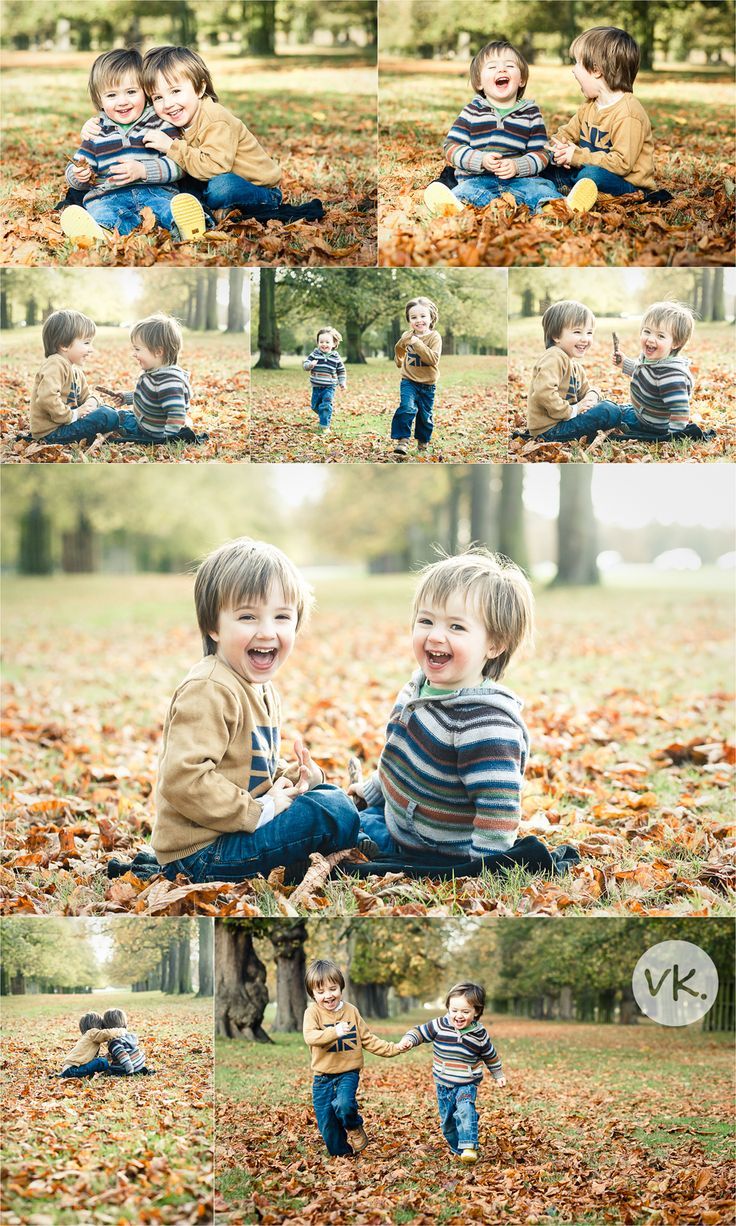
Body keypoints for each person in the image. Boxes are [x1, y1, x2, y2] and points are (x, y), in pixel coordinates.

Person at [152, 537, 359, 882]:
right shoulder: (210, 688)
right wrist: (261, 810)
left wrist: (293, 778)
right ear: (213, 626)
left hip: (231, 833)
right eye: (247, 617)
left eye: (281, 617)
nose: (267, 632)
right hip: (200, 856)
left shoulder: (258, 687)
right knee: (329, 811)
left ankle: (347, 841)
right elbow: (184, 779)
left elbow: (246, 765)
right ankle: (350, 842)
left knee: (327, 795)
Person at [349, 548, 533, 862]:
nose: (435, 636)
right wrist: (370, 792)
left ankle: (356, 839)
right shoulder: (418, 688)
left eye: (456, 627)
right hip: (400, 819)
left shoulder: (484, 723)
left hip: (429, 845)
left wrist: (484, 864)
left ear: (494, 644)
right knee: (327, 804)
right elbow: (399, 761)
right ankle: (355, 831)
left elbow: (498, 807)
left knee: (327, 818)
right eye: (426, 621)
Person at [139, 45, 283, 233]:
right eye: (158, 97)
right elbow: (133, 117)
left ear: (200, 88)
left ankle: (220, 206)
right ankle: (210, 211)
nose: (168, 104)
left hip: (255, 187)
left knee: (221, 187)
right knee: (180, 184)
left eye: (175, 91)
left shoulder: (216, 119)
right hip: (207, 179)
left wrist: (171, 147)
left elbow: (215, 167)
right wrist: (96, 124)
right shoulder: (174, 116)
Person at [59, 48, 185, 242]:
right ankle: (102, 232)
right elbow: (77, 165)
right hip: (109, 195)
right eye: (111, 95)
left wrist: (144, 170)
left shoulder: (159, 124)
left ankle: (185, 224)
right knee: (105, 213)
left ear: (146, 92)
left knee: (167, 208)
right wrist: (79, 175)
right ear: (99, 100)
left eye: (131, 92)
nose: (122, 102)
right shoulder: (96, 131)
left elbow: (179, 164)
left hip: (155, 191)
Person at [424, 40, 561, 217]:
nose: (502, 70)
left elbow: (542, 154)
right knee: (466, 192)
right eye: (492, 67)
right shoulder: (472, 112)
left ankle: (557, 207)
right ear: (479, 82)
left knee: (539, 191)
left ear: (522, 80)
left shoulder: (531, 113)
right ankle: (455, 206)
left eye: (509, 65)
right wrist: (480, 160)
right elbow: (451, 147)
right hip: (478, 179)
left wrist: (517, 166)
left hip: (519, 180)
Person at [546, 26, 656, 214]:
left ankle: (582, 193)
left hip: (626, 184)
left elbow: (621, 164)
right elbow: (567, 133)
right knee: (548, 165)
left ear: (596, 70)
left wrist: (577, 156)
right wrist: (555, 149)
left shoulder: (628, 113)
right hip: (588, 169)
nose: (573, 70)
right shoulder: (590, 105)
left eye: (577, 63)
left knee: (591, 175)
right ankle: (565, 189)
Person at [303, 959, 404, 1157]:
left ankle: (354, 1126)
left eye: (332, 989)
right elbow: (310, 1037)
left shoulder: (351, 1011)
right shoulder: (312, 1012)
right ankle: (343, 1157)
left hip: (347, 1073)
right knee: (328, 1126)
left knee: (345, 1104)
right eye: (320, 992)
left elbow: (368, 1039)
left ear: (341, 987)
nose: (328, 995)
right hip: (322, 1078)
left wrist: (395, 1048)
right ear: (313, 994)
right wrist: (334, 1032)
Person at [398, 981, 505, 1164]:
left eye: (465, 1011)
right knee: (447, 1123)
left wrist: (499, 1074)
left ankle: (469, 1146)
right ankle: (458, 1149)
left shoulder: (479, 1035)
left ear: (476, 1012)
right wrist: (409, 1039)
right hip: (443, 1084)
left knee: (465, 1110)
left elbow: (490, 1055)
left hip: (466, 1082)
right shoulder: (440, 1025)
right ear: (448, 1008)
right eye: (454, 1010)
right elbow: (420, 1032)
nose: (458, 1015)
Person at [526, 300, 622, 442]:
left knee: (620, 409)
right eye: (577, 332)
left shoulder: (575, 367)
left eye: (589, 333)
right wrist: (573, 410)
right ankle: (627, 423)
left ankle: (639, 421)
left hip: (564, 423)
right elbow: (543, 394)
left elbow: (586, 391)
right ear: (556, 336)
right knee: (608, 411)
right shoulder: (553, 357)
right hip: (549, 430)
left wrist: (592, 396)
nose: (585, 339)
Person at [29, 310, 121, 444]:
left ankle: (138, 424)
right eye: (86, 343)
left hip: (67, 425)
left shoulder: (76, 371)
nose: (91, 349)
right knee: (106, 415)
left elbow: (86, 396)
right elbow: (46, 398)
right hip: (51, 434)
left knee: (112, 413)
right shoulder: (55, 364)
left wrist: (92, 402)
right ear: (64, 345)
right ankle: (132, 428)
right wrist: (73, 414)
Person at [100, 312, 194, 443]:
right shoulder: (156, 373)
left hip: (151, 432)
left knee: (106, 416)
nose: (134, 354)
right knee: (112, 415)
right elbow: (152, 397)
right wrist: (126, 397)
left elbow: (176, 414)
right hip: (143, 422)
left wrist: (167, 438)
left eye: (137, 349)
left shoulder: (169, 383)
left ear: (158, 351)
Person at [611, 301, 696, 439]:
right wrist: (624, 363)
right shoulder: (655, 361)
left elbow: (680, 410)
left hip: (652, 425)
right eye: (647, 331)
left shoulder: (671, 376)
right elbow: (644, 373)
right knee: (612, 408)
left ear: (676, 343)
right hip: (644, 414)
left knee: (607, 411)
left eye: (660, 336)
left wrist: (673, 436)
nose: (650, 339)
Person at [391, 297, 442, 459]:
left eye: (422, 316)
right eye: (413, 318)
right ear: (409, 321)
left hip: (428, 384)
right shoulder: (407, 335)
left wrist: (416, 342)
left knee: (425, 416)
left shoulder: (435, 337)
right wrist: (399, 361)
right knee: (407, 408)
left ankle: (423, 441)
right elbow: (399, 347)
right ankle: (403, 440)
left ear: (431, 318)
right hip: (409, 381)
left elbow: (433, 359)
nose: (418, 320)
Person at [302, 328, 347, 434]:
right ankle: (324, 414)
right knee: (315, 406)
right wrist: (310, 365)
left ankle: (324, 426)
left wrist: (342, 383)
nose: (324, 344)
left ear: (334, 343)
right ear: (318, 343)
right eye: (321, 342)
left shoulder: (336, 357)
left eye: (327, 342)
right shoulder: (314, 354)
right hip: (316, 386)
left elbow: (341, 371)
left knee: (326, 405)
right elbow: (305, 365)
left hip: (329, 387)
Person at [56, 1012, 125, 1079]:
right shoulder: (92, 1032)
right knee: (102, 1062)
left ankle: (66, 1074)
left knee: (100, 1060)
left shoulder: (88, 1037)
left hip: (70, 1067)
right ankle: (65, 1075)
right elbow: (107, 1034)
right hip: (73, 1069)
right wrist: (120, 1030)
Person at [100, 1008, 155, 1076]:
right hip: (139, 1063)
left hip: (130, 1067)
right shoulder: (127, 1035)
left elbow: (122, 1055)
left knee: (109, 1068)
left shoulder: (115, 1042)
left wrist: (130, 1070)